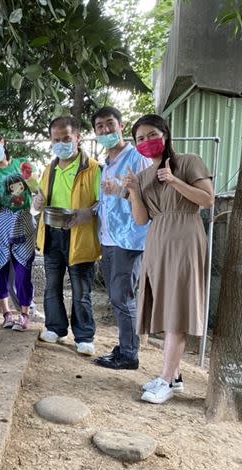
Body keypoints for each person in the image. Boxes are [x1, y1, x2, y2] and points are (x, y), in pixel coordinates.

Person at [122, 114, 215, 404]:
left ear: (165, 133)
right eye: (139, 138)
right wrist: (135, 192)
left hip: (186, 238)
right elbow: (140, 220)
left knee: (178, 312)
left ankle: (164, 379)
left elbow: (207, 199)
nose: (146, 142)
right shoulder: (143, 177)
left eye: (152, 135)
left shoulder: (188, 161)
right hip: (157, 241)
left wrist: (174, 181)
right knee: (164, 310)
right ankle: (174, 378)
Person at [90, 107, 152, 369]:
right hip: (110, 238)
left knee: (122, 296)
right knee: (117, 295)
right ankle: (125, 346)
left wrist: (122, 192)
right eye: (100, 127)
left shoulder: (138, 158)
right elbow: (106, 201)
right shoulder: (107, 164)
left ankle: (130, 354)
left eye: (109, 124)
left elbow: (151, 198)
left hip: (131, 239)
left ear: (121, 126)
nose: (105, 130)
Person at [34, 116, 101, 355]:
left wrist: (89, 213)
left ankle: (84, 336)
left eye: (66, 138)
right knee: (52, 285)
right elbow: (39, 200)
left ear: (77, 138)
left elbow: (102, 202)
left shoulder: (92, 168)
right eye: (56, 140)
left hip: (80, 235)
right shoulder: (48, 169)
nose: (61, 143)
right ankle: (55, 327)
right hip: (52, 233)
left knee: (81, 289)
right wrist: (38, 201)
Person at [0, 128, 37, 331]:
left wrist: (29, 177)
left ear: (3, 142)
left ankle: (25, 314)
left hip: (24, 223)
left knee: (23, 272)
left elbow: (36, 190)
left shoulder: (22, 163)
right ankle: (6, 314)